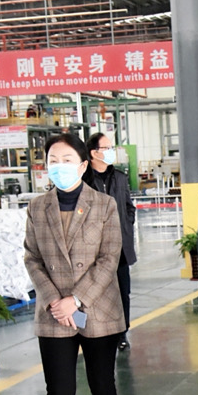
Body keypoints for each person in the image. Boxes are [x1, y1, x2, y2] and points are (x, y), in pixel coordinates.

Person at [24, 133, 125, 395]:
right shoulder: (37, 207)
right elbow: (32, 257)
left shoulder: (104, 205)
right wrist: (56, 300)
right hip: (54, 314)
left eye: (67, 160)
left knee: (102, 385)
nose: (59, 166)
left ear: (83, 165)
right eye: (53, 160)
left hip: (95, 308)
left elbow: (109, 258)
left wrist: (76, 300)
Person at [84, 133, 136, 351]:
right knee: (93, 293)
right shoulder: (84, 180)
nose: (111, 151)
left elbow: (129, 207)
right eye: (107, 148)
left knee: (122, 293)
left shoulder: (120, 178)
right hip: (93, 251)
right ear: (94, 153)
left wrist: (125, 226)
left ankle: (122, 333)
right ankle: (94, 332)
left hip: (120, 249)